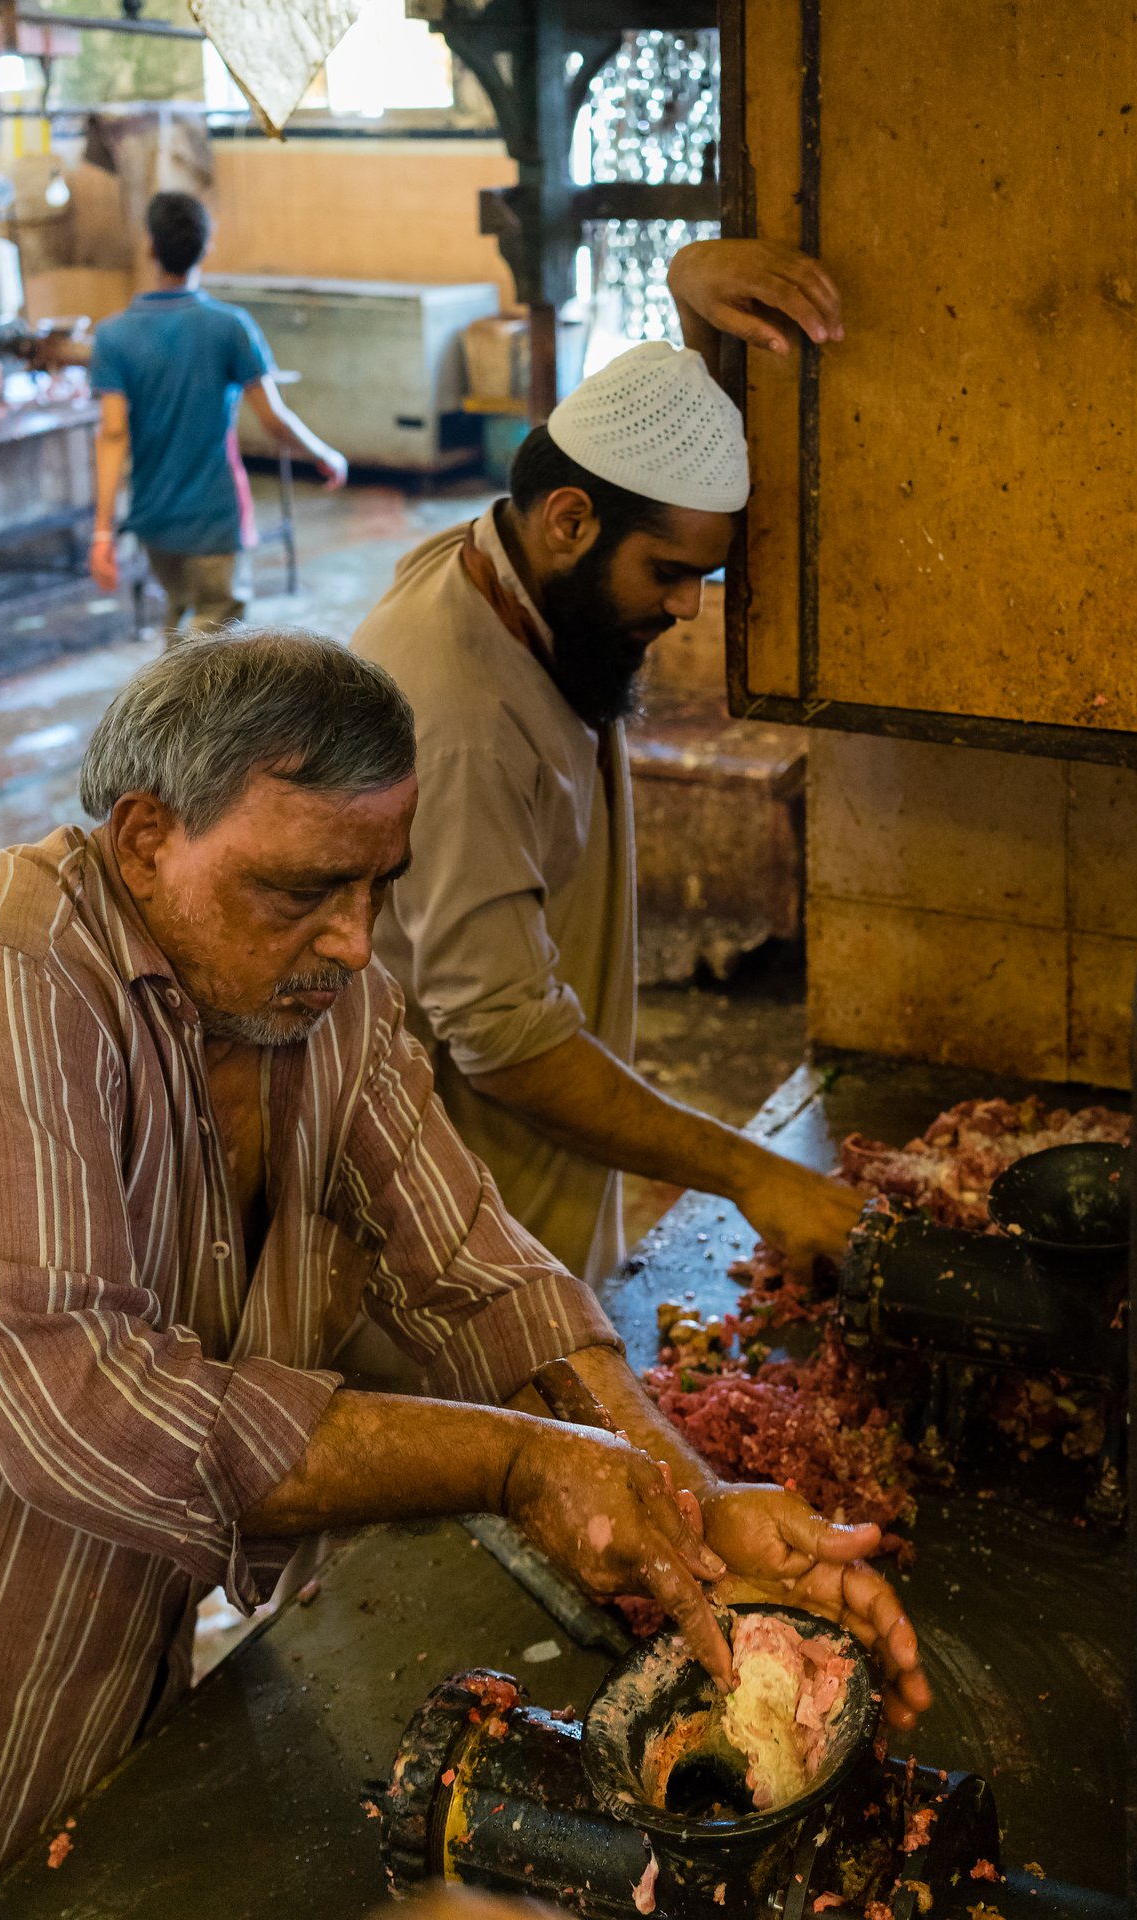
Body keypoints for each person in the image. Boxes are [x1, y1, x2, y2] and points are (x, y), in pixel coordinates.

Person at [0, 633, 929, 1889]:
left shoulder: (323, 999)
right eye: (300, 891)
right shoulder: (14, 967)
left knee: (94, 1851)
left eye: (377, 888)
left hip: (123, 1619)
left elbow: (481, 1273)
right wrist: (518, 1461)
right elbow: (80, 1405)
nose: (355, 944)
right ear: (146, 837)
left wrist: (682, 1501)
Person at [352, 239, 850, 1284]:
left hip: (539, 1186)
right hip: (467, 1233)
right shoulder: (456, 713)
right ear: (569, 521)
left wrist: (696, 323)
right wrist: (752, 1174)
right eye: (669, 574)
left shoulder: (520, 571)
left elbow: (667, 459)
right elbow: (505, 1041)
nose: (685, 607)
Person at [87, 190, 347, 639]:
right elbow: (274, 419)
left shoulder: (113, 336)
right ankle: (176, 710)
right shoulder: (229, 326)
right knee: (214, 636)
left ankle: (163, 706)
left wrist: (102, 532)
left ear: (150, 247)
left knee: (180, 617)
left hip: (154, 515)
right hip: (214, 515)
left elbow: (112, 434)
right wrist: (325, 454)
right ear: (206, 248)